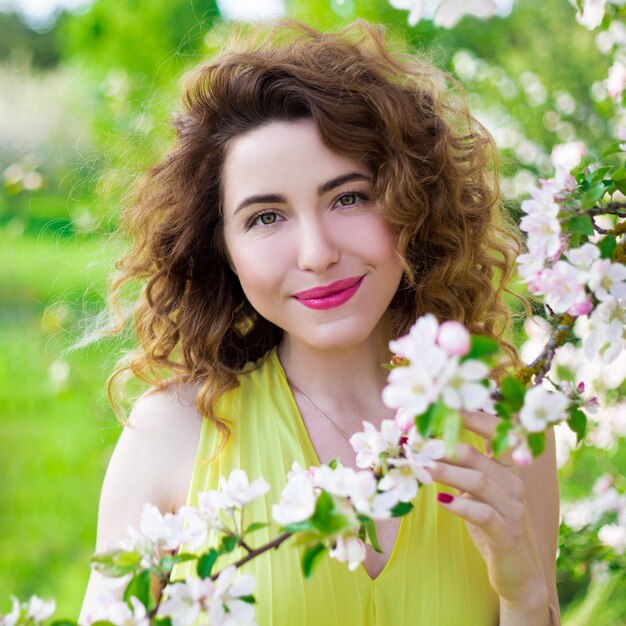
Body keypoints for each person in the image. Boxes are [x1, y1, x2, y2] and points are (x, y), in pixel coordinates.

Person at [80, 19, 560, 626]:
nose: (316, 252)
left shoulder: (504, 424)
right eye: (265, 218)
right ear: (220, 248)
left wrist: (522, 595)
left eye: (349, 198)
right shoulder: (172, 435)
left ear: (412, 200)